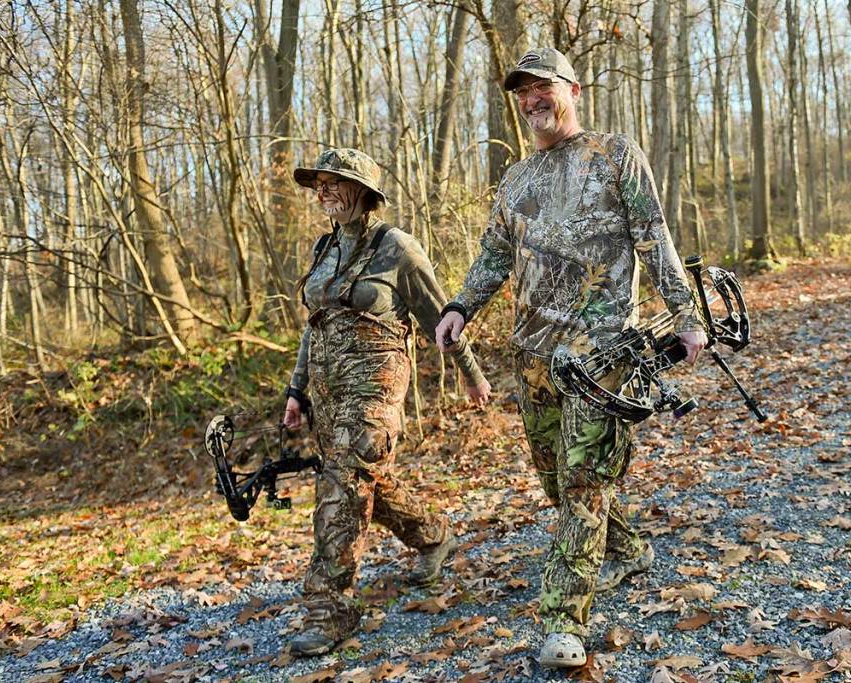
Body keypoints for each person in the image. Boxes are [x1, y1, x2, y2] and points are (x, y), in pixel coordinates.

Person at [435, 48, 708, 668]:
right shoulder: (516, 179)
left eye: (543, 87)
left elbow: (654, 238)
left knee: (584, 484)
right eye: (523, 91)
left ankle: (564, 621)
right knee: (557, 480)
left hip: (602, 353)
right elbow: (494, 257)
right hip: (531, 355)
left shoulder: (614, 155)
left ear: (573, 90)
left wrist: (687, 317)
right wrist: (459, 307)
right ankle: (628, 549)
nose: (532, 99)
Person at [283, 148, 492, 656]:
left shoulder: (396, 247)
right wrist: (296, 389)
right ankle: (433, 535)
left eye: (335, 181)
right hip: (330, 396)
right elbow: (314, 327)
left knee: (344, 484)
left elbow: (441, 318)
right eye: (319, 184)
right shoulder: (322, 249)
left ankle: (330, 607)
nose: (324, 191)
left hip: (376, 390)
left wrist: (472, 375)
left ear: (364, 191)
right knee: (366, 480)